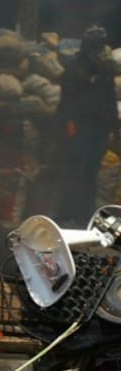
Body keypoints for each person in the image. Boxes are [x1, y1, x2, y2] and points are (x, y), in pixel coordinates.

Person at [57, 25, 119, 224]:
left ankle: (87, 216)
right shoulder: (75, 66)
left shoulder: (105, 68)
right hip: (80, 126)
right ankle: (69, 214)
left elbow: (110, 99)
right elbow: (66, 99)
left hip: (99, 128)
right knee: (76, 171)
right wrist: (68, 123)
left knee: (91, 172)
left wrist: (114, 129)